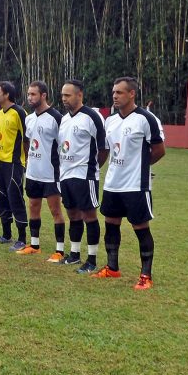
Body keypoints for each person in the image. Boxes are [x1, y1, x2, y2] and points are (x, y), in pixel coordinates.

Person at [93, 77, 166, 290]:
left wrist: (140, 166)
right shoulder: (110, 121)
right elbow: (107, 149)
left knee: (140, 227)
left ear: (132, 94)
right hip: (113, 183)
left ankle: (146, 276)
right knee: (111, 223)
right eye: (114, 92)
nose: (115, 96)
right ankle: (112, 267)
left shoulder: (146, 119)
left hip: (135, 185)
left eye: (120, 92)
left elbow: (160, 150)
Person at [58, 80, 107, 274]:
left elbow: (103, 148)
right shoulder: (64, 119)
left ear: (80, 95)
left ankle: (92, 259)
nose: (64, 99)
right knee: (72, 214)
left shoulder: (92, 117)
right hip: (66, 175)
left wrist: (92, 168)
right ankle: (74, 254)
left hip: (84, 175)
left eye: (68, 95)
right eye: (62, 95)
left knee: (89, 215)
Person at [22, 81, 66, 261]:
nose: (30, 98)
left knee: (55, 210)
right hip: (33, 172)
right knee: (33, 206)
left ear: (43, 95)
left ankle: (60, 250)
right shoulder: (29, 118)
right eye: (29, 94)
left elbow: (63, 145)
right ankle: (34, 245)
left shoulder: (56, 118)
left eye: (33, 94)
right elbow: (27, 142)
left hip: (51, 173)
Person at [0, 81, 28, 249]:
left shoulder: (19, 112)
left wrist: (27, 160)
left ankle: (22, 237)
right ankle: (7, 234)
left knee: (15, 198)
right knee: (0, 198)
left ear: (7, 94)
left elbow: (27, 138)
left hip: (13, 163)